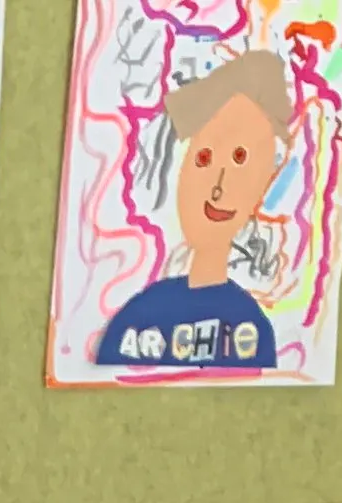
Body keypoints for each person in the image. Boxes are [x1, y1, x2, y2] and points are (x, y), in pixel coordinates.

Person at [92, 53, 291, 373]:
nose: (219, 187)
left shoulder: (251, 331)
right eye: (204, 158)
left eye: (240, 159)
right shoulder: (137, 324)